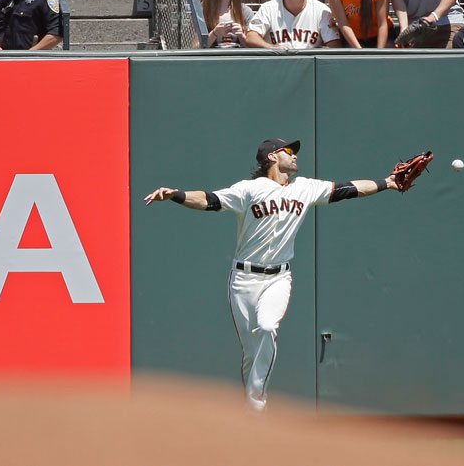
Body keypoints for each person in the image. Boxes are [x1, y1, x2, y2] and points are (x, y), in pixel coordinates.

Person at [144, 138, 403, 411]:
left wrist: (387, 182)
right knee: (250, 353)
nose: (294, 155)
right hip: (243, 280)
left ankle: (257, 409)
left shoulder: (305, 187)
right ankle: (250, 414)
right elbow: (209, 199)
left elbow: (348, 189)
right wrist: (176, 195)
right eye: (288, 151)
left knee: (267, 327)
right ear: (271, 157)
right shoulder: (250, 190)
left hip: (278, 278)